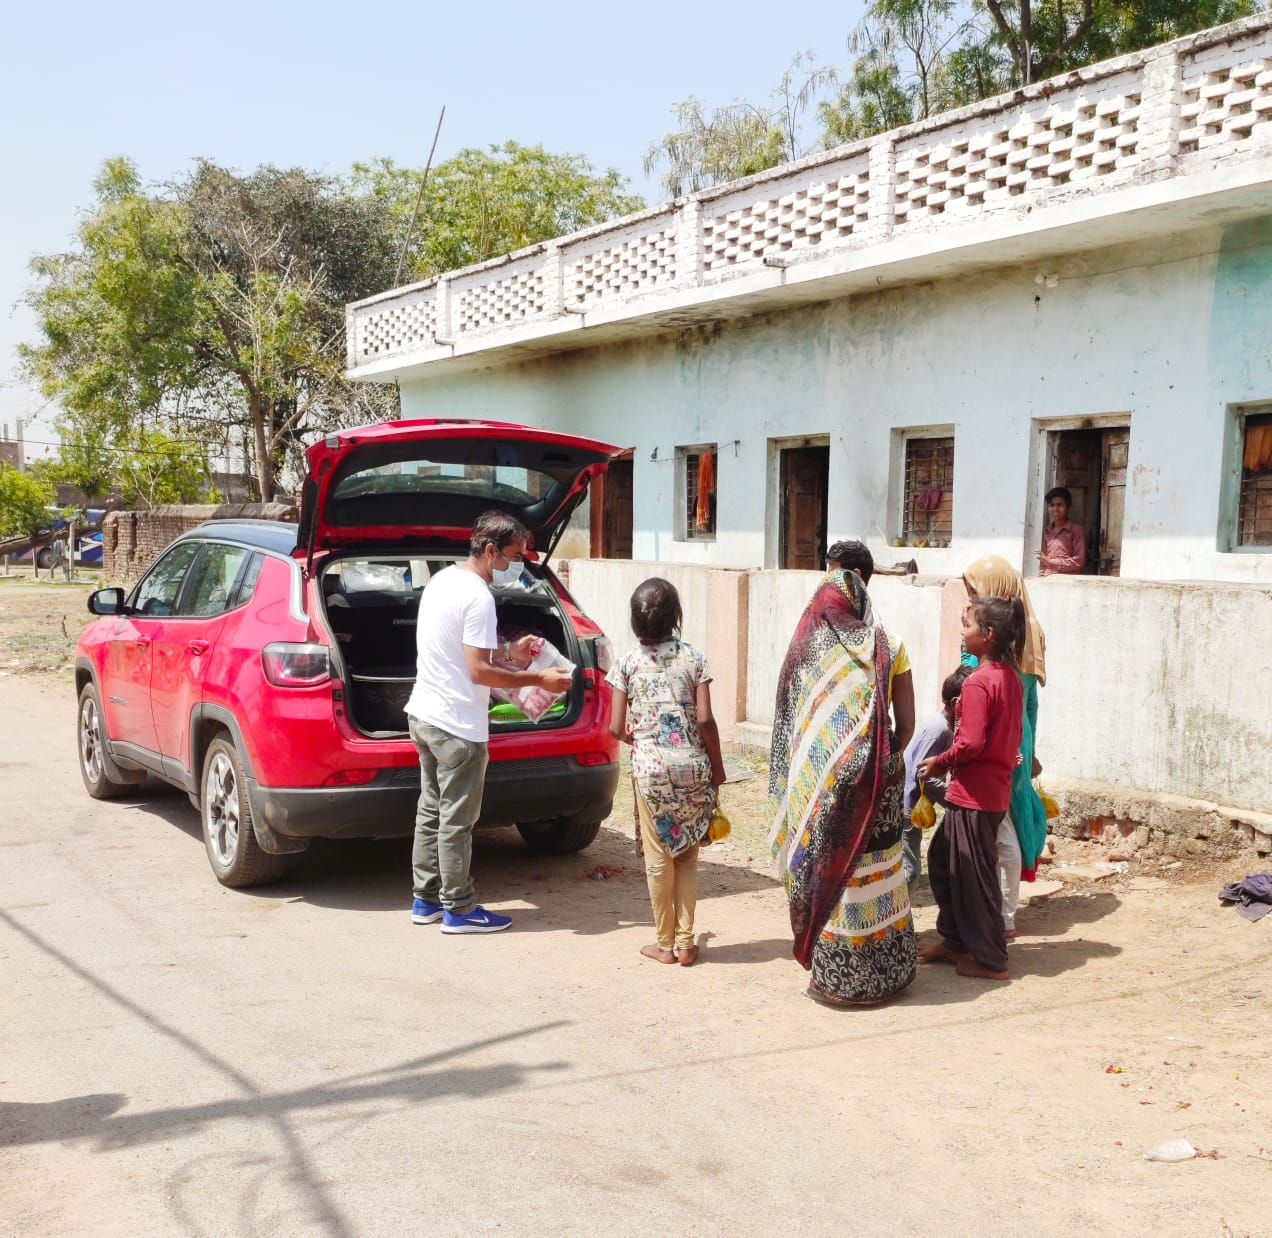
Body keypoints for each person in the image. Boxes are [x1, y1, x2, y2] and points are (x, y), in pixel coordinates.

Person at [405, 511, 573, 935]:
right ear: (490, 550)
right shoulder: (479, 597)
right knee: (456, 820)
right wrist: (539, 678)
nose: (517, 564)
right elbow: (478, 673)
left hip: (424, 715)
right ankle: (458, 909)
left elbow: (467, 654)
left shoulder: (444, 580)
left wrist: (509, 653)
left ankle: (424, 900)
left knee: (431, 810)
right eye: (515, 556)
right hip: (457, 726)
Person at [768, 568, 917, 1007]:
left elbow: (793, 725)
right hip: (881, 781)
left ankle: (840, 982)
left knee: (836, 877)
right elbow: (906, 724)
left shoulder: (808, 649)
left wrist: (826, 770)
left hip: (826, 790)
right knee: (881, 873)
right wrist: (881, 761)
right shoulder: (888, 644)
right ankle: (891, 973)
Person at [607, 578, 725, 967]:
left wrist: (639, 740)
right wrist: (718, 769)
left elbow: (614, 726)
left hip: (651, 771)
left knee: (659, 858)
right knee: (688, 856)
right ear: (675, 615)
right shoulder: (695, 659)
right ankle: (688, 943)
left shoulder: (626, 663)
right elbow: (705, 719)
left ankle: (664, 944)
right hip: (693, 766)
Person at [917, 596, 1025, 981]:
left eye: (968, 626)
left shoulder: (981, 682)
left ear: (988, 634)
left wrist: (939, 762)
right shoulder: (1008, 677)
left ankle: (991, 959)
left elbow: (972, 742)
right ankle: (956, 940)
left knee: (974, 876)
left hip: (974, 794)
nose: (963, 633)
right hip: (989, 791)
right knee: (945, 861)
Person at [962, 555, 1049, 936]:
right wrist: (1030, 749)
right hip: (1019, 737)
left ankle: (999, 916)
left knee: (995, 831)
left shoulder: (985, 639)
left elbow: (968, 693)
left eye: (973, 591)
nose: (969, 600)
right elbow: (1032, 704)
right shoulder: (1030, 635)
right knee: (1007, 822)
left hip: (990, 741)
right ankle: (1002, 912)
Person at [901, 667, 971, 897]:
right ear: (955, 702)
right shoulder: (939, 729)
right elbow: (921, 772)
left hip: (912, 806)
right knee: (909, 871)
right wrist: (952, 797)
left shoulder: (946, 728)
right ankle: (898, 928)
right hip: (907, 807)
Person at [1037, 486, 1086, 575]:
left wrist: (1052, 562)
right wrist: (1041, 576)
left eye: (1060, 505)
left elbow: (1079, 560)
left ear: (1068, 507)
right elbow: (1043, 561)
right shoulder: (1047, 531)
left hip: (1068, 580)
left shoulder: (1076, 530)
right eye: (1052, 505)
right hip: (1049, 579)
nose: (1055, 509)